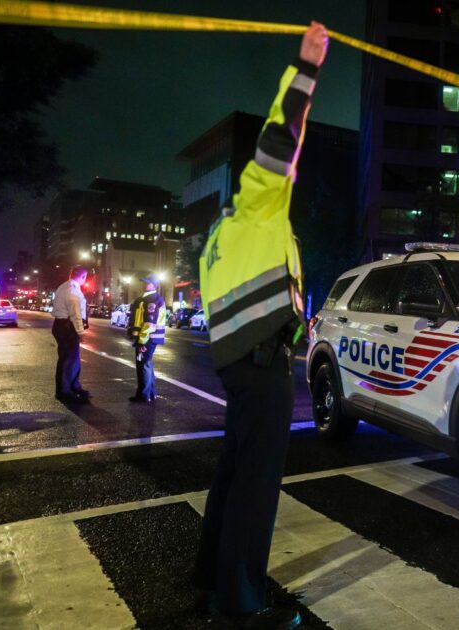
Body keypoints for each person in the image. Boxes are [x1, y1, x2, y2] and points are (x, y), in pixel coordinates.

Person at [194, 22, 327, 630]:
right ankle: (242, 603)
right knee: (256, 485)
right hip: (262, 363)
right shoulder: (257, 206)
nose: (287, 177)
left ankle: (212, 578)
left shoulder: (218, 240)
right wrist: (305, 68)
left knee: (233, 474)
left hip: (236, 363)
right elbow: (280, 135)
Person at [51, 266, 90, 403]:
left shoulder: (64, 286)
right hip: (68, 327)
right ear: (83, 277)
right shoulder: (72, 290)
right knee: (68, 360)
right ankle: (64, 391)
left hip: (62, 326)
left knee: (72, 359)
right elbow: (75, 314)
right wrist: (81, 332)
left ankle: (73, 386)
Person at [126, 276, 166, 403]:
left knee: (143, 365)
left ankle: (143, 396)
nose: (144, 284)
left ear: (154, 285)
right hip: (147, 337)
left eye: (147, 283)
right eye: (143, 282)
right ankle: (151, 393)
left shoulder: (153, 299)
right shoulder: (144, 298)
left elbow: (149, 323)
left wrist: (142, 340)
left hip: (148, 337)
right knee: (146, 364)